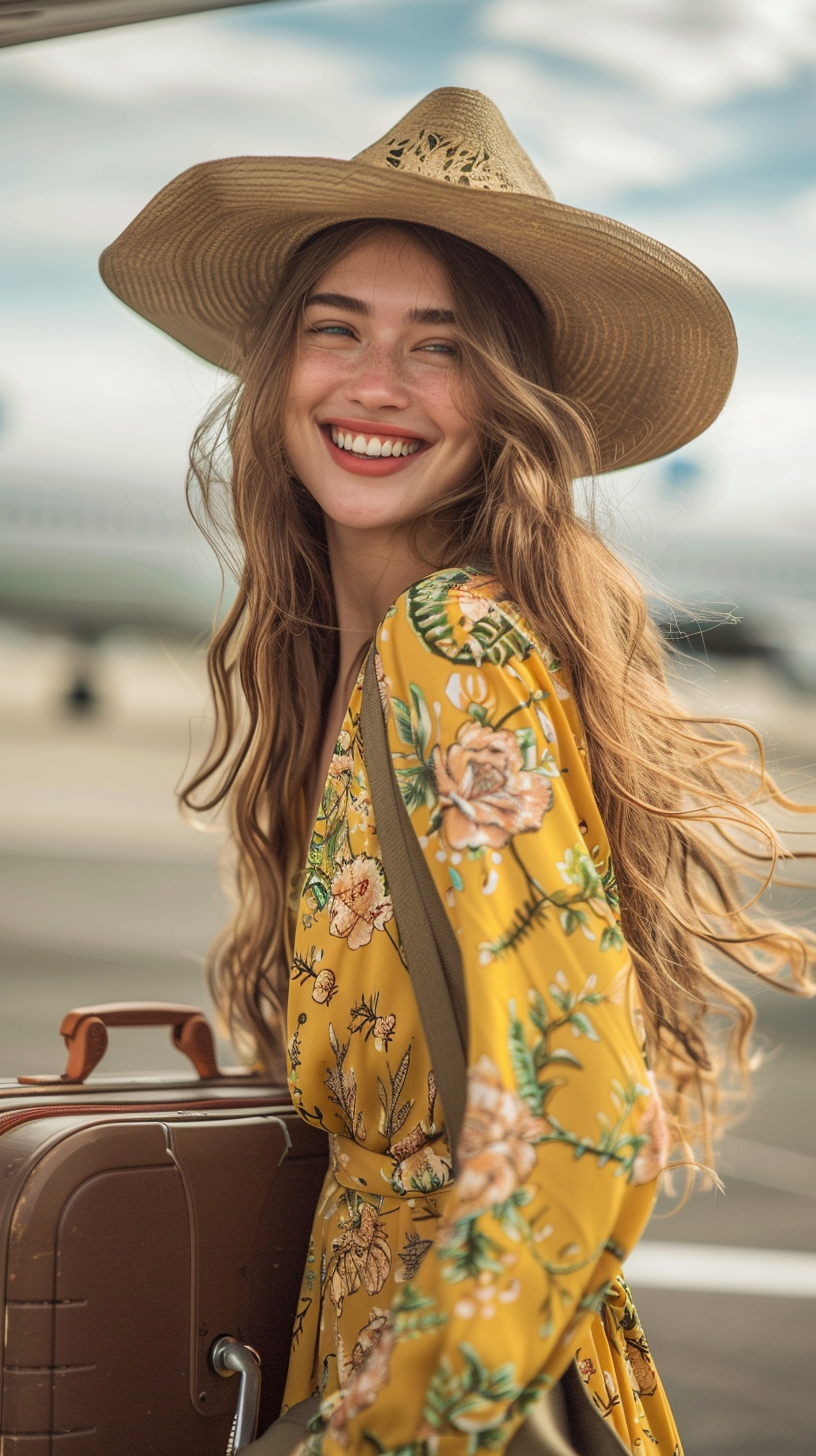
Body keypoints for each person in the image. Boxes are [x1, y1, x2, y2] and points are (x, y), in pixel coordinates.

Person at [101, 89, 814, 1456]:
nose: (376, 385)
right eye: (337, 329)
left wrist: (396, 1431)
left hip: (450, 1405)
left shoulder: (453, 646)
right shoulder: (355, 655)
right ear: (279, 369)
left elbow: (589, 1117)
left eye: (442, 348)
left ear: (507, 405)